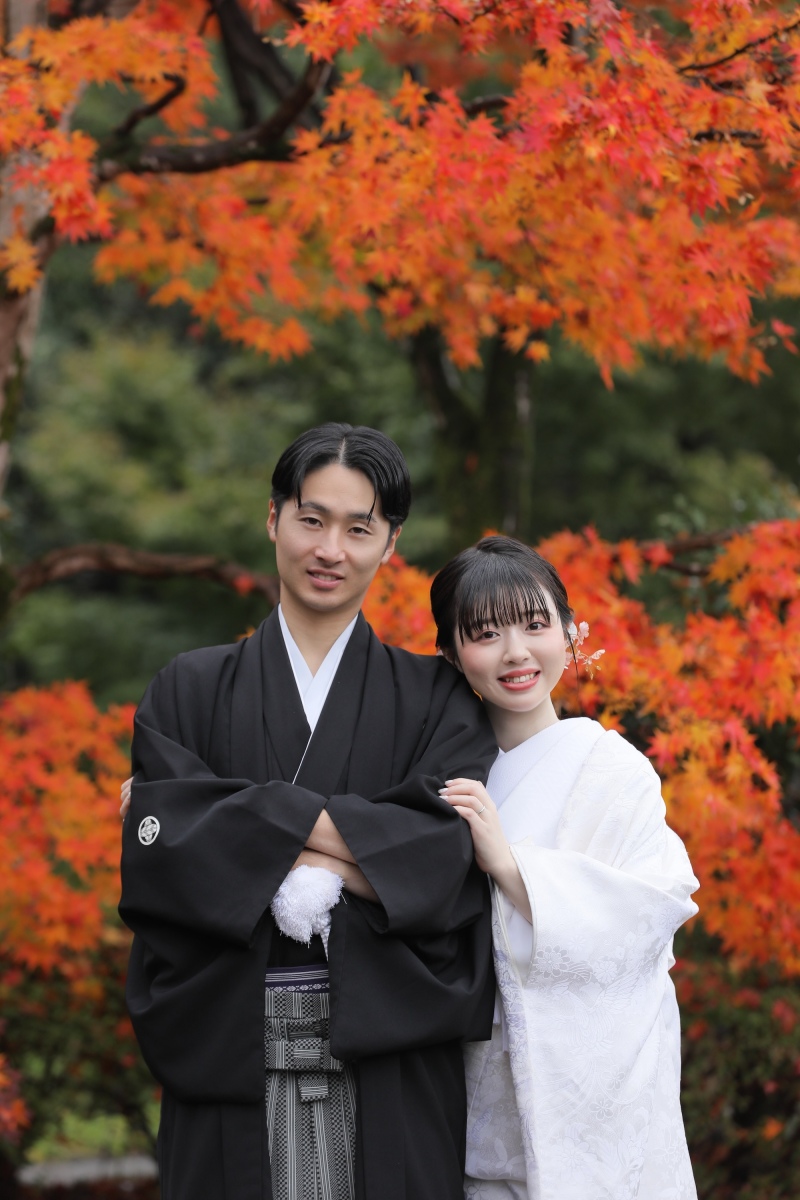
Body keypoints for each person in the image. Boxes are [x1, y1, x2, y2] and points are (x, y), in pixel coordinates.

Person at [118, 424, 498, 1200]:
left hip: (392, 1062)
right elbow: (165, 864)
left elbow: (449, 857)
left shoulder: (437, 699)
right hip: (229, 1049)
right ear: (273, 520)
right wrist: (362, 842)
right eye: (311, 519)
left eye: (359, 529)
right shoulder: (187, 691)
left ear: (390, 542)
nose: (331, 549)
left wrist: (246, 828)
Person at [431, 536, 699, 1200]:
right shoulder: (443, 776)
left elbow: (652, 910)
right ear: (450, 655)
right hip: (477, 1101)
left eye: (535, 624)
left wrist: (510, 866)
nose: (516, 652)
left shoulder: (613, 769)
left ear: (573, 634)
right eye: (486, 633)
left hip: (602, 1109)